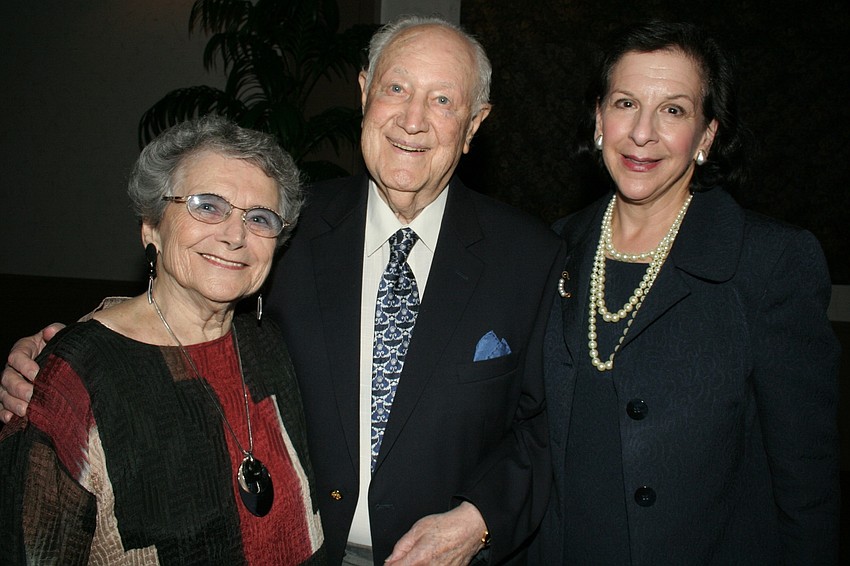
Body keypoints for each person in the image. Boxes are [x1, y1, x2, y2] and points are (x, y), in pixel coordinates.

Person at [1, 16, 564, 565]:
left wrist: (479, 519)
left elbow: (545, 427)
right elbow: (191, 293)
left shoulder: (529, 258)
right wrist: (70, 354)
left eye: (442, 100)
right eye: (396, 88)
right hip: (302, 546)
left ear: (474, 124)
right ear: (365, 93)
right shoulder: (283, 226)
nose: (412, 120)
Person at [530, 20, 840, 564]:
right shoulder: (553, 249)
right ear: (599, 119)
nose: (642, 133)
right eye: (626, 103)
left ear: (707, 135)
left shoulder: (770, 264)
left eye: (673, 110)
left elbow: (806, 477)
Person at [0, 116, 326, 564]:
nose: (235, 235)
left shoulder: (268, 345)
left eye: (259, 217)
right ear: (151, 226)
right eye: (207, 206)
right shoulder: (78, 376)